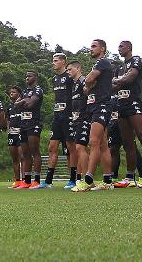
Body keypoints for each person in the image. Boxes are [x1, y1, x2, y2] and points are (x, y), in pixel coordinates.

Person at [111, 41, 142, 188]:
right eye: (118, 47)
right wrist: (117, 81)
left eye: (121, 47)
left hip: (134, 104)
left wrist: (117, 81)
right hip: (121, 105)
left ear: (129, 48)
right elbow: (112, 87)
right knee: (127, 142)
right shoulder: (119, 67)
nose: (119, 49)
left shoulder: (135, 60)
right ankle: (130, 177)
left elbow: (128, 79)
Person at [71, 40, 115, 192]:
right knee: (102, 144)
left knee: (93, 141)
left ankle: (88, 179)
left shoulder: (102, 62)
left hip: (101, 105)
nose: (91, 49)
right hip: (93, 107)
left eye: (94, 46)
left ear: (102, 49)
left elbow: (88, 81)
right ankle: (108, 180)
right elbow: (85, 89)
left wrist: (90, 83)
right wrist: (89, 84)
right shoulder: (96, 65)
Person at [42, 54, 76, 188]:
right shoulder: (55, 79)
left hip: (69, 116)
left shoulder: (70, 77)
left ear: (63, 62)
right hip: (57, 117)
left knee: (70, 147)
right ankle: (48, 181)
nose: (53, 63)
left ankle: (73, 179)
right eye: (53, 60)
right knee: (52, 147)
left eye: (55, 61)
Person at [16, 72, 44, 188]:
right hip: (23, 124)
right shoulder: (24, 92)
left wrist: (23, 102)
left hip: (33, 123)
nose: (27, 78)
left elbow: (31, 104)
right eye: (26, 76)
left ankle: (36, 180)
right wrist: (23, 102)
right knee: (25, 153)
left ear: (35, 77)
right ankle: (27, 181)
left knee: (34, 151)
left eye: (30, 76)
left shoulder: (38, 90)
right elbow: (16, 104)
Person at [66, 61, 90, 189]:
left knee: (81, 148)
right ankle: (81, 178)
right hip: (76, 119)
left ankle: (87, 179)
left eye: (70, 69)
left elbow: (89, 95)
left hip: (84, 118)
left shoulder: (84, 81)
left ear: (78, 68)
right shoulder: (74, 85)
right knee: (78, 148)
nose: (68, 71)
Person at [7, 86, 26, 188]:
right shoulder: (10, 107)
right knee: (14, 158)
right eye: (11, 92)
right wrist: (8, 130)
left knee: (22, 157)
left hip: (21, 132)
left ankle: (24, 180)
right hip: (11, 134)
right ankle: (17, 180)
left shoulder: (23, 104)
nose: (11, 94)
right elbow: (8, 120)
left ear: (19, 93)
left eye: (14, 92)